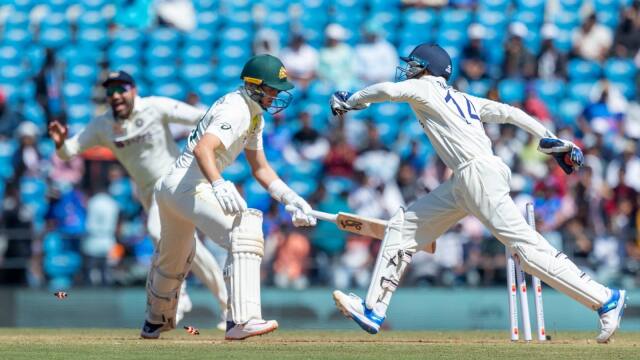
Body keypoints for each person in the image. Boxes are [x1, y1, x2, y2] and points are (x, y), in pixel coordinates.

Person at [329, 43, 626, 343]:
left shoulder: (425, 88)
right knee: (402, 228)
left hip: (477, 175)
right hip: (466, 180)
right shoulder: (462, 98)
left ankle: (606, 299)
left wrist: (352, 101)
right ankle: (373, 309)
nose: (407, 71)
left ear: (426, 68)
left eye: (413, 65)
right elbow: (509, 113)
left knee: (528, 252)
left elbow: (389, 91)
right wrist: (547, 137)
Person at [139, 54, 316, 340]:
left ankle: (154, 321)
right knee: (245, 233)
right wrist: (219, 184)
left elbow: (260, 168)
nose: (276, 95)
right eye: (272, 89)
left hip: (171, 188)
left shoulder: (253, 114)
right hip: (191, 186)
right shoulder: (237, 110)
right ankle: (241, 320)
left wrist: (290, 198)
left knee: (174, 260)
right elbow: (203, 150)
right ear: (255, 86)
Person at [47, 70, 227, 327]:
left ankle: (178, 295)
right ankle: (227, 306)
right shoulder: (102, 125)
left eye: (121, 89)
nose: (116, 96)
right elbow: (69, 152)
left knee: (157, 230)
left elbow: (201, 117)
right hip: (148, 193)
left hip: (174, 181)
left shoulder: (155, 106)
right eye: (110, 92)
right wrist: (60, 143)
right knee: (191, 249)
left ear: (133, 90)